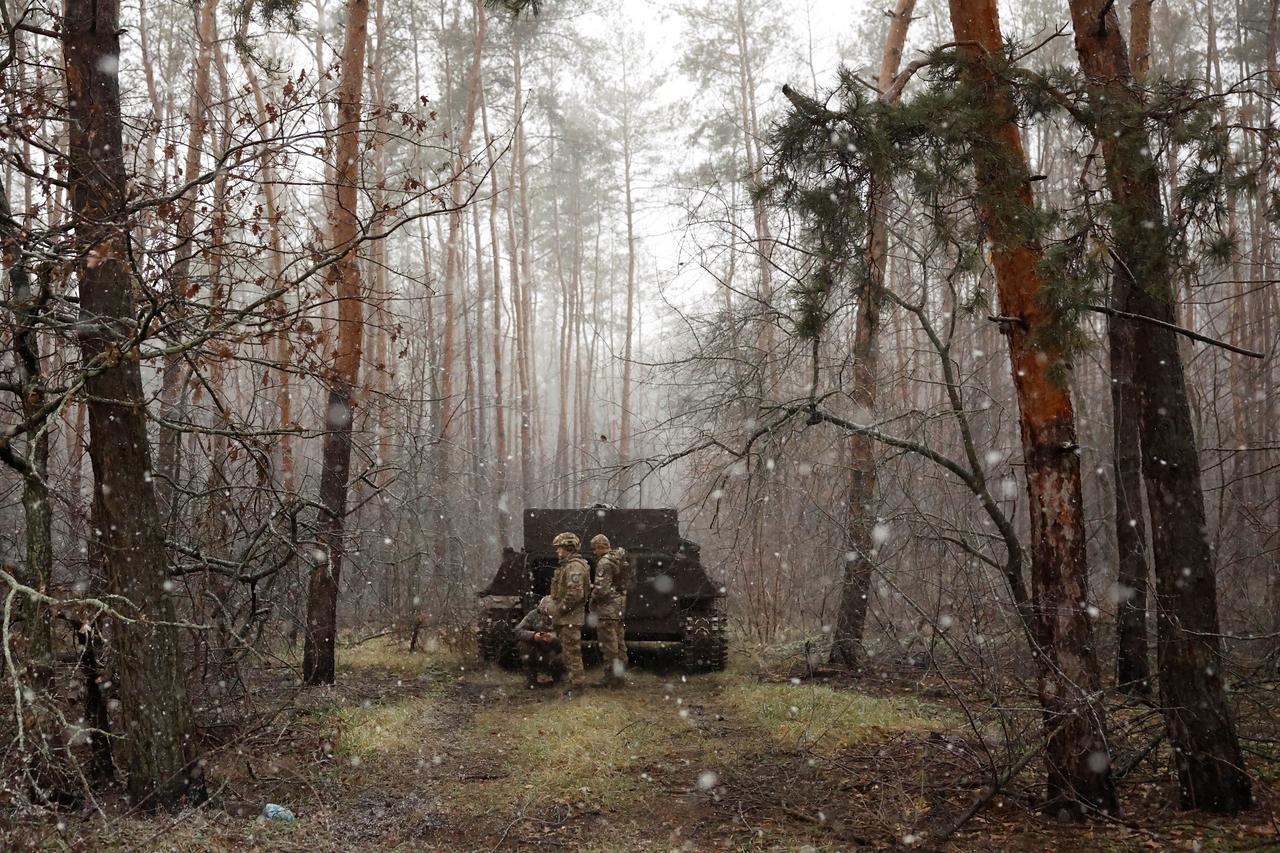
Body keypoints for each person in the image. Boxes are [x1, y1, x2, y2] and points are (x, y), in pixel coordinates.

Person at [549, 531, 589, 696]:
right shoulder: (568, 565)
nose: (558, 551)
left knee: (572, 653)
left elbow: (575, 594)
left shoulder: (574, 566)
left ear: (568, 548)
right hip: (567, 617)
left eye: (560, 548)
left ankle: (577, 687)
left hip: (570, 617)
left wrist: (559, 610)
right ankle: (574, 684)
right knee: (568, 652)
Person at [590, 534, 630, 686]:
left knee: (609, 645)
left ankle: (610, 678)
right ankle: (620, 675)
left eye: (595, 549)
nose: (594, 552)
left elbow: (602, 590)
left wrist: (592, 599)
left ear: (600, 547)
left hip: (606, 609)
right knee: (619, 644)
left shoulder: (604, 563)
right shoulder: (619, 560)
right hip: (618, 607)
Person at [513, 596, 564, 689]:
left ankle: (558, 680)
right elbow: (518, 631)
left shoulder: (563, 616)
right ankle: (531, 681)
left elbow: (568, 639)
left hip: (555, 649)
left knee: (562, 656)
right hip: (538, 648)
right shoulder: (533, 615)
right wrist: (533, 636)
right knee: (523, 645)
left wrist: (554, 639)